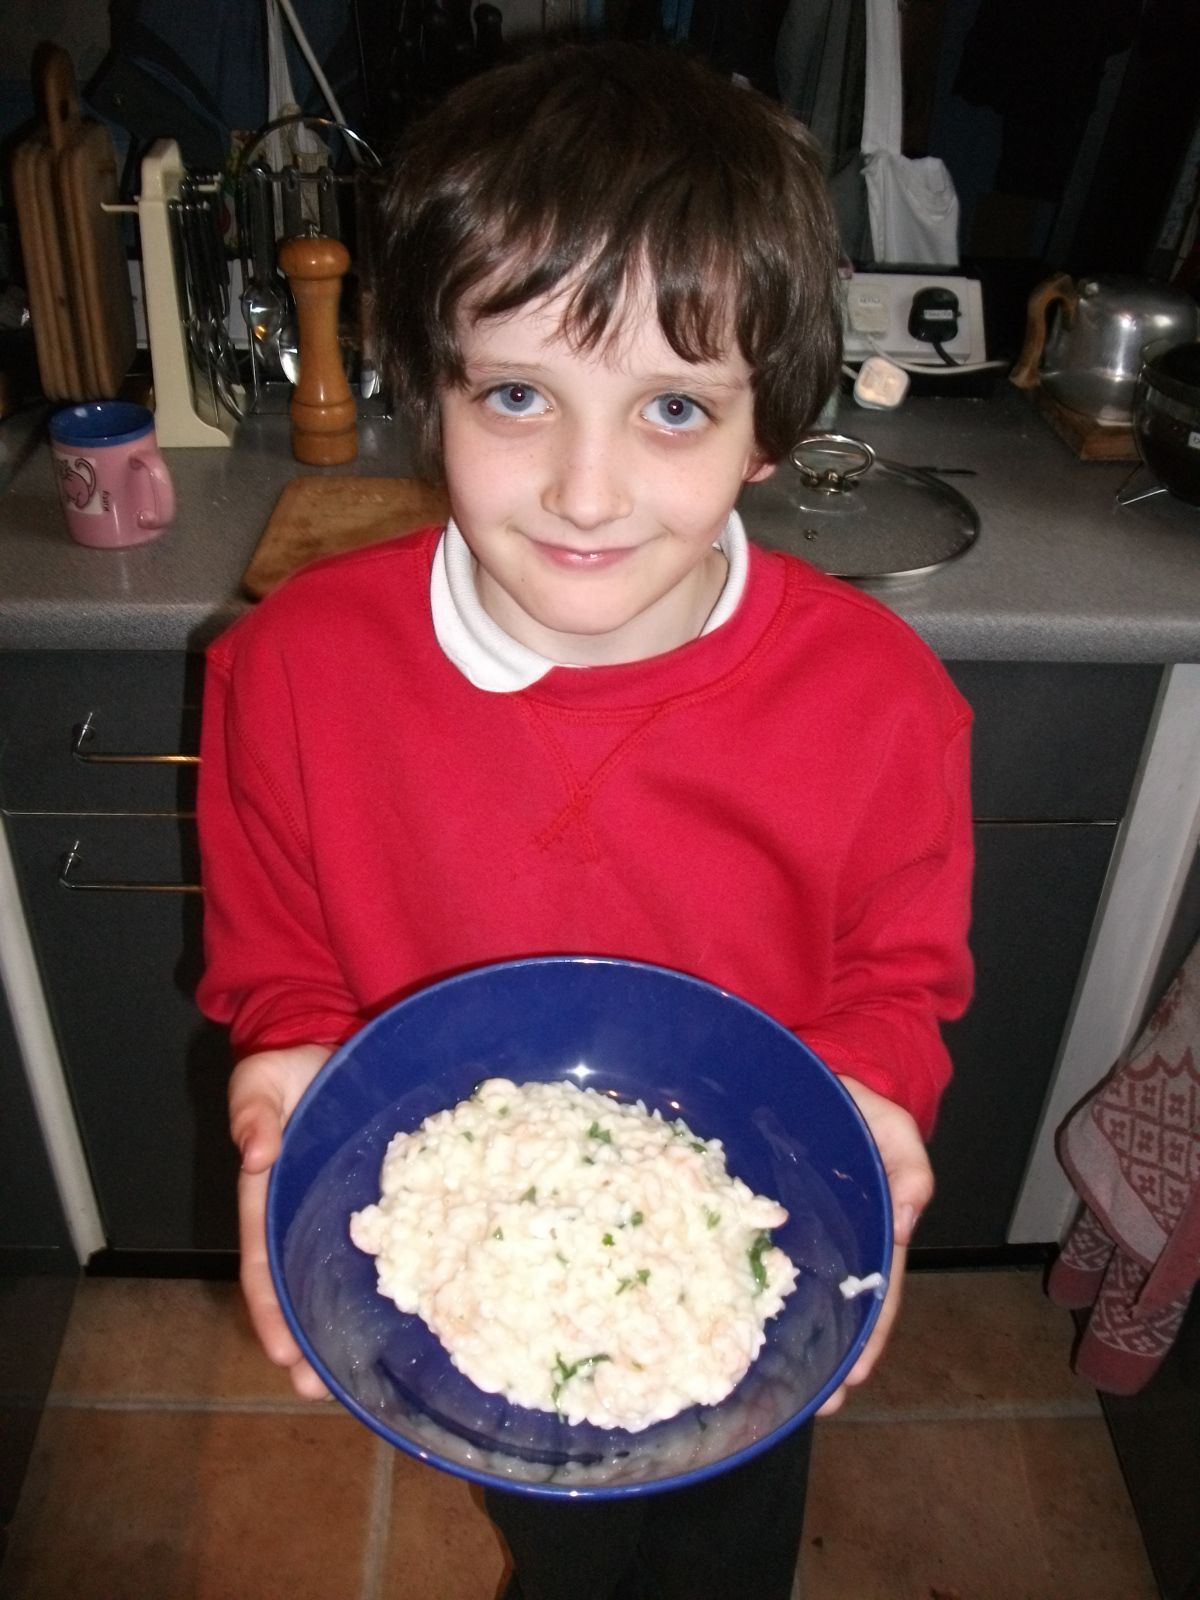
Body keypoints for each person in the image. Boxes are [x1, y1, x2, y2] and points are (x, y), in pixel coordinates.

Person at [196, 39, 973, 1600]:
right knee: (561, 1549)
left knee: (725, 1553)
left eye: (674, 407)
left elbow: (901, 984)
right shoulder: (289, 672)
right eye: (517, 394)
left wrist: (871, 1102)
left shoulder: (884, 702)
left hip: (739, 1249)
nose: (587, 491)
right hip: (490, 1270)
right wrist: (288, 1067)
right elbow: (280, 965)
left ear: (770, 427)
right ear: (428, 385)